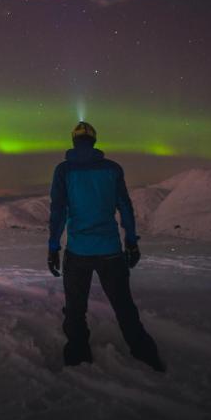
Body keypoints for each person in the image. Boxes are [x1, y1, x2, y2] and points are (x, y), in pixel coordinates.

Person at [48, 121, 165, 371]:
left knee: (76, 308)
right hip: (110, 250)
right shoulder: (112, 169)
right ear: (94, 140)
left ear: (73, 141)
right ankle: (144, 352)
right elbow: (125, 207)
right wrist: (131, 242)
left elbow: (58, 212)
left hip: (78, 251)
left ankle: (78, 354)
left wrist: (53, 246)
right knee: (124, 306)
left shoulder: (63, 171)